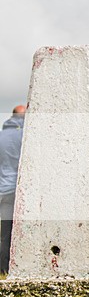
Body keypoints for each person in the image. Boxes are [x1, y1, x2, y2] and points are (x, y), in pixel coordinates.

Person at [0, 105, 25, 275]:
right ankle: (6, 270)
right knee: (11, 234)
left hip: (2, 188)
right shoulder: (26, 135)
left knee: (5, 232)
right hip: (16, 191)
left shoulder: (1, 136)